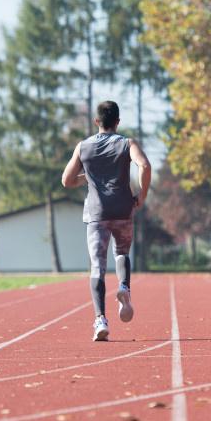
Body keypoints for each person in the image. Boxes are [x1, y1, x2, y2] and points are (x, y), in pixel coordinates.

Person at [61, 100, 151, 341]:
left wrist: (88, 177)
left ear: (96, 121)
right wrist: (141, 195)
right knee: (122, 253)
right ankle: (124, 288)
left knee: (97, 267)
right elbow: (144, 165)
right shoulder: (126, 143)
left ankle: (100, 320)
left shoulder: (83, 147)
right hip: (122, 209)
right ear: (118, 122)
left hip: (96, 213)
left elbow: (66, 181)